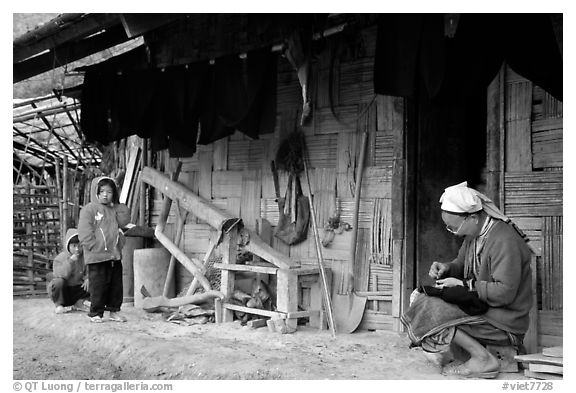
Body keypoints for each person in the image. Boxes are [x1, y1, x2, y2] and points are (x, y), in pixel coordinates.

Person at [401, 181, 533, 379]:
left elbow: (504, 293)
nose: (455, 233)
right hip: (483, 306)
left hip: (504, 319)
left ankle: (483, 359)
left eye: (454, 227)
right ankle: (468, 354)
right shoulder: (475, 235)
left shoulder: (505, 241)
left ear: (473, 217)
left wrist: (464, 285)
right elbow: (461, 264)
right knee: (423, 300)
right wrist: (447, 268)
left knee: (432, 310)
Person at [78, 176, 130, 323]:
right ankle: (96, 312)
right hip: (96, 256)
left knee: (116, 286)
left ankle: (114, 311)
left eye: (109, 192)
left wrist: (120, 205)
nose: (105, 195)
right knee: (98, 286)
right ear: (96, 192)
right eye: (101, 191)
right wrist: (93, 246)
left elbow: (124, 221)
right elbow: (84, 230)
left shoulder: (114, 210)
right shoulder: (89, 209)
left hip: (114, 255)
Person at [46, 228, 90, 314]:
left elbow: (90, 270)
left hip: (77, 289)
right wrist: (70, 261)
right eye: (74, 246)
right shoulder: (59, 259)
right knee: (58, 282)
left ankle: (79, 303)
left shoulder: (85, 257)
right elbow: (61, 275)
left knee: (93, 281)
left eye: (80, 246)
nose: (77, 249)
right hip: (64, 291)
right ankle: (59, 305)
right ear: (68, 246)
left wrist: (88, 278)